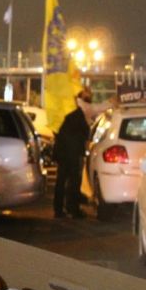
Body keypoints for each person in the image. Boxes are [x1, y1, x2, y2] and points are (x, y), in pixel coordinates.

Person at [52, 89, 96, 218]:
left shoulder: (72, 116)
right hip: (72, 153)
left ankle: (60, 209)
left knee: (62, 181)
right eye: (87, 98)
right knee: (73, 182)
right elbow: (80, 138)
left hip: (64, 153)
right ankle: (72, 209)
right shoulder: (79, 116)